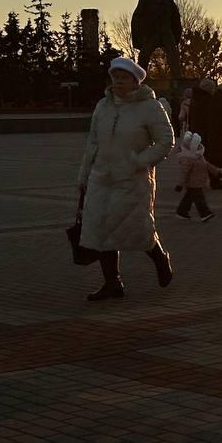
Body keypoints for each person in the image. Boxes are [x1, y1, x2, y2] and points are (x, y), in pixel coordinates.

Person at [76, 57, 175, 301]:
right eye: (115, 77)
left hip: (132, 179)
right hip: (102, 177)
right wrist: (84, 174)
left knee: (140, 230)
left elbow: (165, 141)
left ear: (135, 81)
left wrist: (140, 161)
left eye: (124, 77)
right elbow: (93, 142)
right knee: (101, 232)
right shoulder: (103, 106)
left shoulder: (150, 107)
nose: (118, 81)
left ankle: (160, 259)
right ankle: (112, 283)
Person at [174, 131, 219, 222]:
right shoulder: (188, 158)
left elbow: (206, 164)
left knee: (189, 197)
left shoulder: (197, 155)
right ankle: (205, 213)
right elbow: (184, 172)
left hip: (198, 181)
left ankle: (181, 212)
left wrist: (216, 171)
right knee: (199, 198)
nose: (200, 145)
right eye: (198, 144)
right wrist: (180, 184)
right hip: (193, 182)